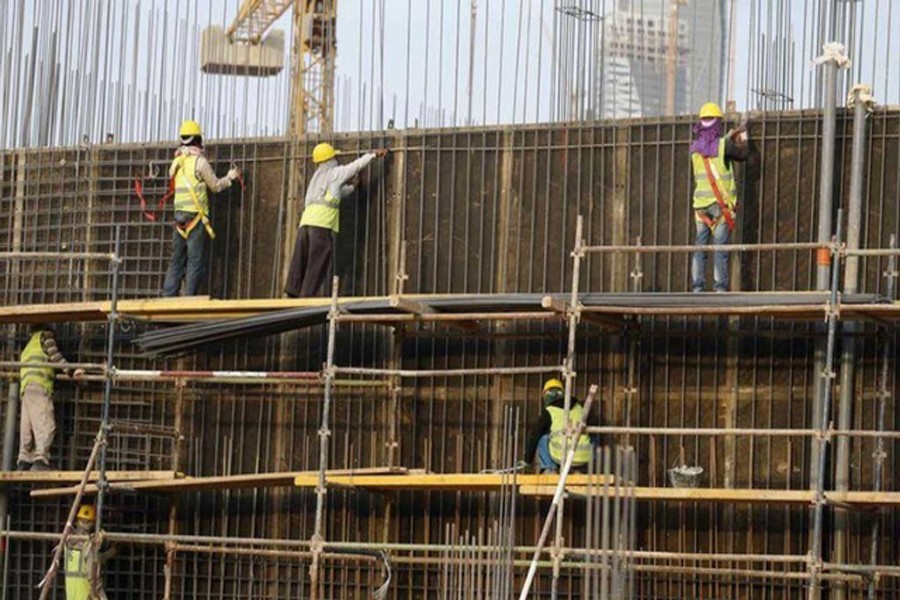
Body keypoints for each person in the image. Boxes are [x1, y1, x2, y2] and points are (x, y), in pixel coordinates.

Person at [284, 143, 389, 297]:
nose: (336, 158)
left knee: (299, 261)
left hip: (304, 226)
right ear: (329, 159)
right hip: (321, 226)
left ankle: (292, 292)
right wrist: (373, 154)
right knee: (317, 263)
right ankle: (305, 297)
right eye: (334, 156)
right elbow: (355, 166)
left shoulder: (316, 177)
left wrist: (352, 188)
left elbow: (334, 193)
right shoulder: (335, 173)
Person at [162, 120, 241, 297]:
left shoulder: (176, 162)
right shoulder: (200, 162)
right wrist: (230, 177)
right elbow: (215, 186)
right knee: (195, 260)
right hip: (195, 217)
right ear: (198, 139)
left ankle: (168, 295)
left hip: (179, 217)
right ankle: (188, 298)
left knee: (176, 259)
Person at [690, 102, 749, 293]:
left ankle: (698, 288)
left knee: (700, 249)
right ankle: (720, 289)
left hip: (700, 207)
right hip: (720, 207)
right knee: (720, 249)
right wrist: (743, 136)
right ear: (717, 123)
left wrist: (728, 136)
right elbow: (743, 155)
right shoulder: (724, 145)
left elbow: (711, 147)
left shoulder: (695, 149)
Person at [18, 324, 83, 471]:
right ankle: (41, 459)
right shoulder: (45, 337)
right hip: (40, 386)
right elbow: (56, 357)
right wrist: (72, 372)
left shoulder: (28, 345)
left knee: (27, 428)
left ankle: (24, 461)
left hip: (26, 388)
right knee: (46, 425)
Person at [523, 379, 599, 474]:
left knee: (542, 438)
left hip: (560, 456)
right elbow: (594, 433)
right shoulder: (580, 407)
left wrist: (527, 461)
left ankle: (550, 469)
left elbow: (534, 437)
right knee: (593, 436)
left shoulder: (549, 411)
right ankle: (581, 470)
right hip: (584, 457)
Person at [65, 505, 115, 600]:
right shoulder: (87, 544)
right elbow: (93, 576)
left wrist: (110, 553)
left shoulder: (67, 544)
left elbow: (87, 561)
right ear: (91, 523)